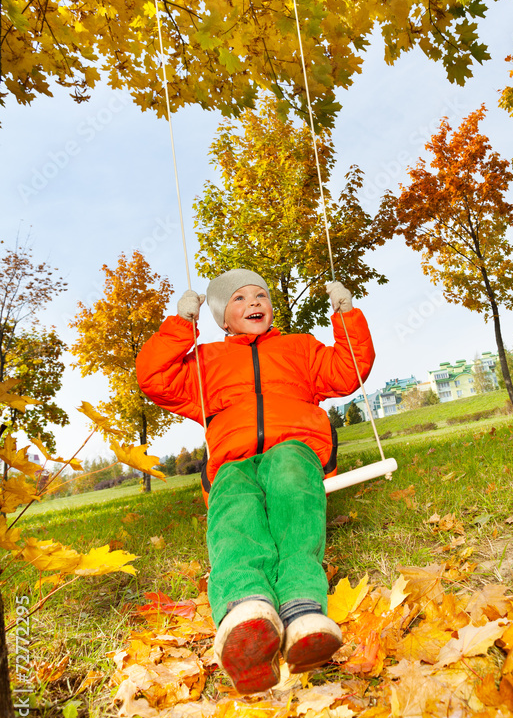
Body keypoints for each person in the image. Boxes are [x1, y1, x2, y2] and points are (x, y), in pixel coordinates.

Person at [136, 268, 374, 694]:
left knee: (290, 487)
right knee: (234, 510)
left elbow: (348, 370)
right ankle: (246, 610)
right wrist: (180, 327)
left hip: (293, 446)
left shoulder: (298, 348)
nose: (254, 303)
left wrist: (347, 315)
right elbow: (154, 378)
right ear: (222, 319)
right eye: (240, 299)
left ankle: (302, 610)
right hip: (232, 457)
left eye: (260, 295)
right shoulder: (205, 362)